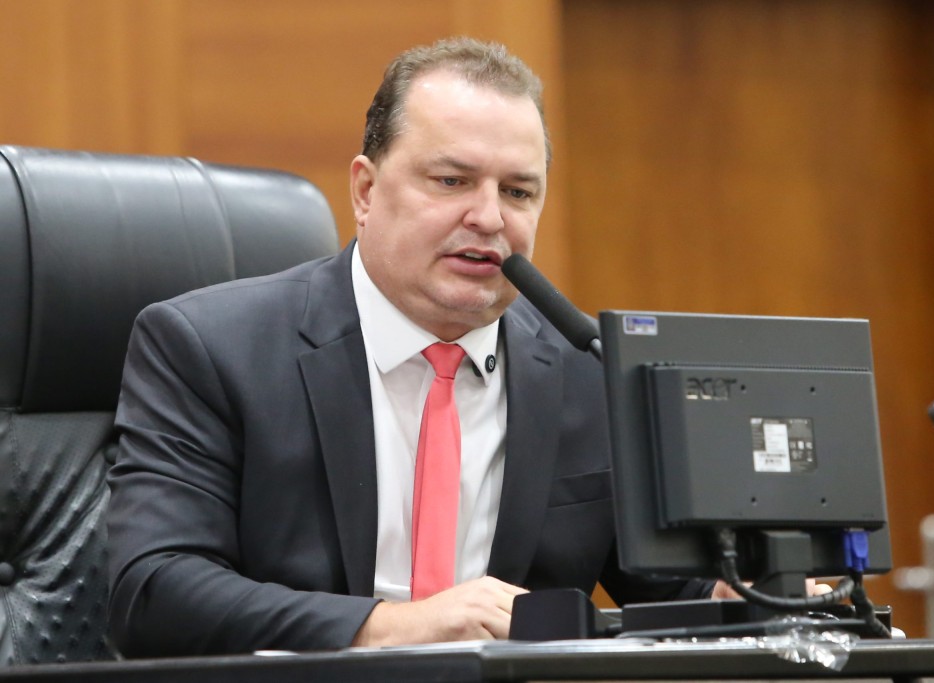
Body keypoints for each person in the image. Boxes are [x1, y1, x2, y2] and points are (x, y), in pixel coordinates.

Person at [106, 36, 728, 658]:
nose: (489, 218)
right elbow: (154, 594)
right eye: (452, 181)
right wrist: (395, 627)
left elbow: (683, 595)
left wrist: (750, 591)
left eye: (517, 192)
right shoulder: (211, 348)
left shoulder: (591, 368)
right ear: (365, 191)